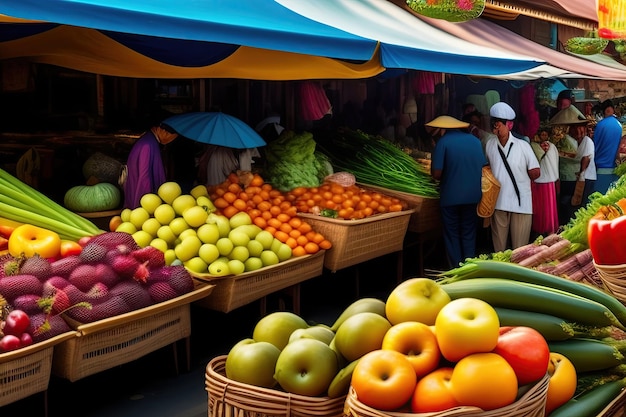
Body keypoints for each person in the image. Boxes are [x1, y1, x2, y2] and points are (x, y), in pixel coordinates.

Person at [428, 115, 487, 268]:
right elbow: (482, 165)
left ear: (442, 129)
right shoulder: (475, 141)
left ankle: (455, 268)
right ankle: (469, 267)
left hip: (451, 197)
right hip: (473, 196)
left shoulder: (443, 142)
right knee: (468, 232)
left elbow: (437, 174)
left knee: (452, 234)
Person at [485, 102, 540, 252]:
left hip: (521, 203)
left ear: (508, 125)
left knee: (519, 249)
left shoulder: (523, 145)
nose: (495, 128)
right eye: (493, 124)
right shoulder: (489, 144)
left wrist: (524, 172)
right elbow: (488, 169)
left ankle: (517, 275)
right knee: (499, 249)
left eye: (498, 125)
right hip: (498, 202)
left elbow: (536, 172)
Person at [550, 106, 596, 223]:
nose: (577, 132)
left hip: (586, 178)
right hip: (580, 177)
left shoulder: (587, 141)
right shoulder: (578, 142)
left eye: (579, 129)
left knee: (578, 204)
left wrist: (581, 173)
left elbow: (586, 159)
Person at [123, 123, 178, 209]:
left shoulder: (148, 141)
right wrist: (145, 203)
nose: (169, 140)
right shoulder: (148, 145)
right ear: (162, 130)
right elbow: (144, 176)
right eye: (171, 136)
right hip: (145, 198)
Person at [530, 127, 559, 236]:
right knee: (548, 207)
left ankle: (542, 228)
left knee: (543, 207)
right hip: (547, 179)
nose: (543, 137)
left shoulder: (536, 147)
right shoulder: (552, 147)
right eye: (542, 135)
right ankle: (548, 228)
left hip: (542, 180)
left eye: (545, 135)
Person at [593, 99, 622, 194]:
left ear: (604, 111)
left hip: (599, 169)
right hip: (614, 169)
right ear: (613, 110)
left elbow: (594, 146)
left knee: (596, 203)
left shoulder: (600, 125)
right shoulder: (619, 125)